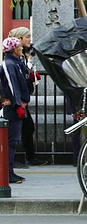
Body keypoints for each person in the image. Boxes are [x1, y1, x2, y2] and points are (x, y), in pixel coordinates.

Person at [8, 27, 47, 167]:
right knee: (15, 131)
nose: (30, 39)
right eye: (27, 37)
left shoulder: (24, 56)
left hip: (22, 99)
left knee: (27, 128)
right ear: (18, 40)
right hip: (15, 101)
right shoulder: (11, 60)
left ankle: (29, 157)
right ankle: (12, 160)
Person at [0, 37, 30, 183]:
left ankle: (10, 171)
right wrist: (18, 105)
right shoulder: (9, 64)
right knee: (10, 141)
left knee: (13, 141)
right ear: (13, 49)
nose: (21, 48)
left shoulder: (16, 63)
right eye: (19, 46)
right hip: (12, 107)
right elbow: (12, 85)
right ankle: (7, 172)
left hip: (17, 105)